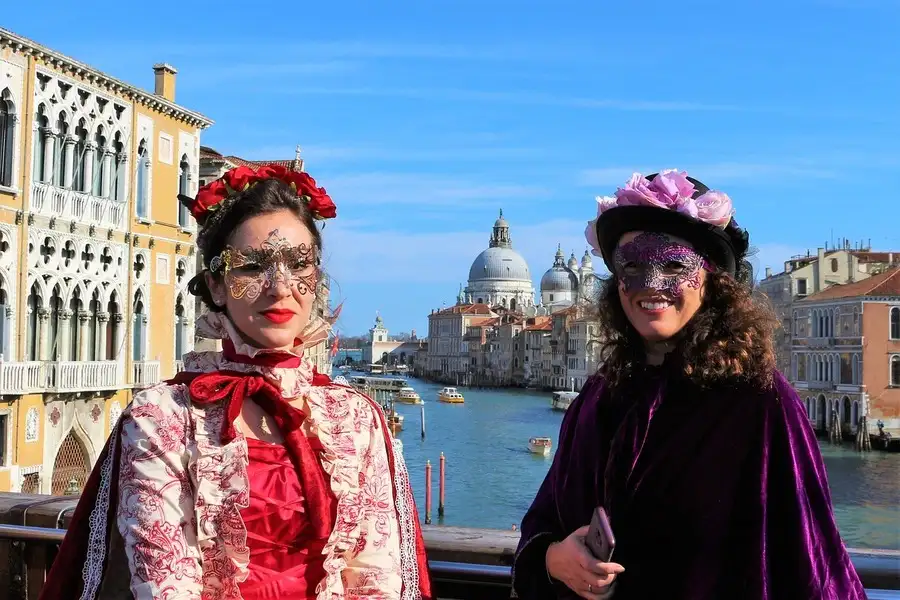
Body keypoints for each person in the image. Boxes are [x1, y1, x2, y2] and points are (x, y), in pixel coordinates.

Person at [41, 165, 432, 600]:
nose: (281, 287)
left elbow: (375, 575)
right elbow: (166, 582)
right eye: (252, 267)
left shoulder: (357, 418)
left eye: (299, 264)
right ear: (217, 285)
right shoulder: (162, 418)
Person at [513, 170, 866, 599]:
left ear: (712, 280)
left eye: (673, 265)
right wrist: (554, 559)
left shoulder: (759, 403)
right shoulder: (598, 398)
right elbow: (544, 518)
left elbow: (814, 566)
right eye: (632, 266)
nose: (650, 285)